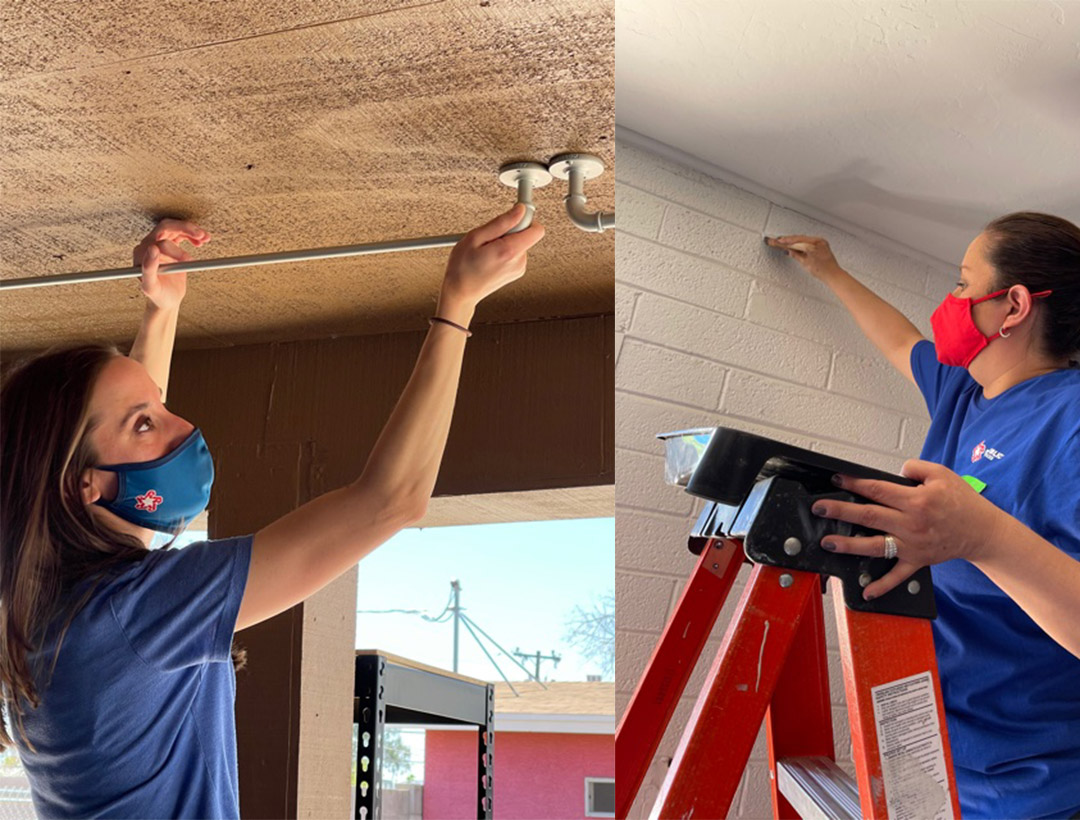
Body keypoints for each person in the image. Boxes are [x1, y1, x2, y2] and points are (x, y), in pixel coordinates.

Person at [0, 206, 544, 818]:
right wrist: (457, 307)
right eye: (149, 422)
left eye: (158, 406)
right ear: (84, 488)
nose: (182, 428)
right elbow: (388, 502)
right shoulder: (134, 613)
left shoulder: (55, 611)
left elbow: (107, 441)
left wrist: (163, 309)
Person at [766, 212, 1080, 820]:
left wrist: (982, 534)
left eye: (963, 284)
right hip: (933, 762)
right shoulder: (963, 392)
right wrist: (831, 271)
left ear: (1012, 306)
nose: (952, 300)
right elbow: (896, 338)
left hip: (1036, 788)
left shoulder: (1069, 422)